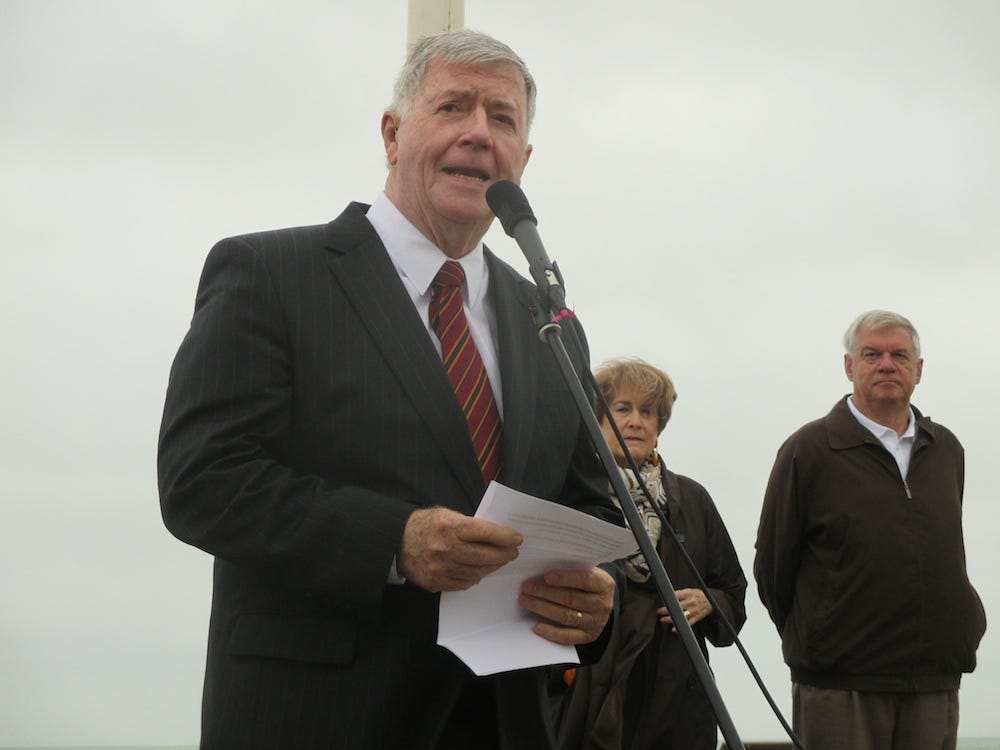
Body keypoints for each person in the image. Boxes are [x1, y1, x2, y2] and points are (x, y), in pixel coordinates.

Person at [157, 30, 624, 750]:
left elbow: (585, 504)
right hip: (317, 717)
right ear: (392, 133)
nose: (477, 133)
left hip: (504, 722)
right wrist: (392, 541)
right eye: (452, 108)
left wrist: (594, 603)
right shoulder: (270, 274)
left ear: (523, 161)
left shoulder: (549, 320)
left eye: (502, 119)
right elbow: (202, 480)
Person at [754, 310, 986, 750]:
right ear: (849, 366)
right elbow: (772, 567)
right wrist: (821, 636)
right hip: (841, 684)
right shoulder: (809, 450)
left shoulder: (946, 449)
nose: (886, 364)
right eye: (871, 354)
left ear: (918, 370)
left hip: (933, 679)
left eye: (899, 355)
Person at [552, 358, 747, 750]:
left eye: (648, 412)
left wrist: (710, 602)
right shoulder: (569, 491)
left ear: (659, 428)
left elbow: (733, 592)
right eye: (622, 409)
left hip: (675, 694)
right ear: (596, 421)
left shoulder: (692, 497)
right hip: (588, 684)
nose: (636, 421)